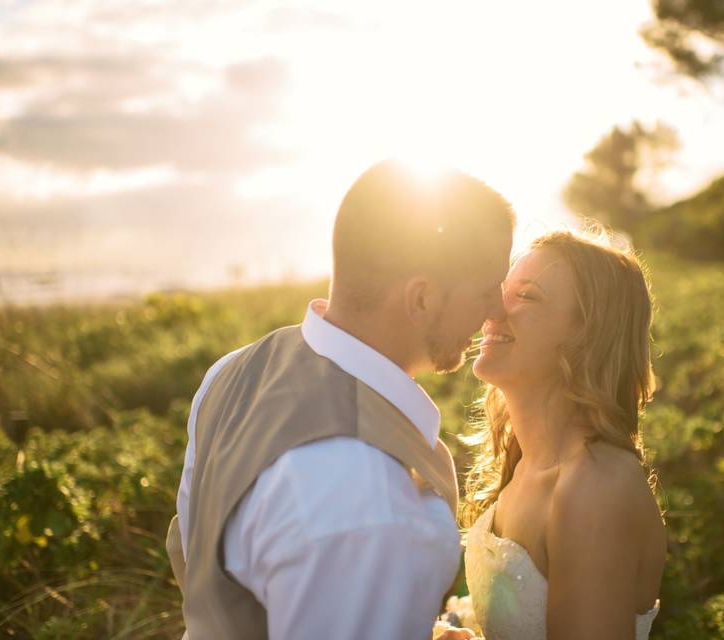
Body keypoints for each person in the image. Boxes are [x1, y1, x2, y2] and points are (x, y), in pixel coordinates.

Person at [166, 159, 515, 639]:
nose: (498, 307)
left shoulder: (232, 370)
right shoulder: (365, 500)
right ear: (422, 299)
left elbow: (202, 556)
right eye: (486, 288)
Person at [460, 229, 666, 640]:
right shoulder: (522, 463)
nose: (493, 308)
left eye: (528, 296)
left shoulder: (595, 488)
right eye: (504, 290)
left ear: (586, 335)